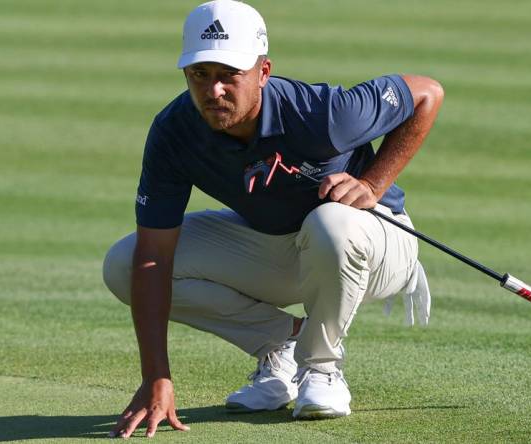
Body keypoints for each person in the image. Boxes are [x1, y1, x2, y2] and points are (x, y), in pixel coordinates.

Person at [102, 0, 443, 438]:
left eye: (230, 75)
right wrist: (156, 377)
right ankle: (281, 343)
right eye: (200, 75)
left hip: (378, 246)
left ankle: (321, 369)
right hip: (282, 246)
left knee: (331, 224)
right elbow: (153, 255)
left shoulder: (323, 114)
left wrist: (373, 185)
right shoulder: (175, 131)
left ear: (264, 72)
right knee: (124, 264)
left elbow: (426, 92)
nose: (214, 91)